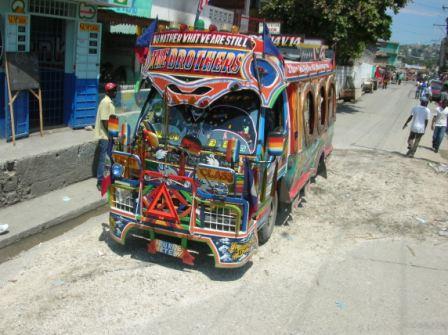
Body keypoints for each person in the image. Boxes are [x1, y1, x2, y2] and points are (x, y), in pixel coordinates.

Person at [94, 82, 117, 190]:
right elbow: (104, 120)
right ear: (107, 92)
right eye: (113, 90)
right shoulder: (105, 102)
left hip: (110, 136)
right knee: (103, 159)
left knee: (109, 158)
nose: (115, 92)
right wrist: (111, 134)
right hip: (105, 136)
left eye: (115, 90)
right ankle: (100, 182)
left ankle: (110, 179)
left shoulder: (109, 102)